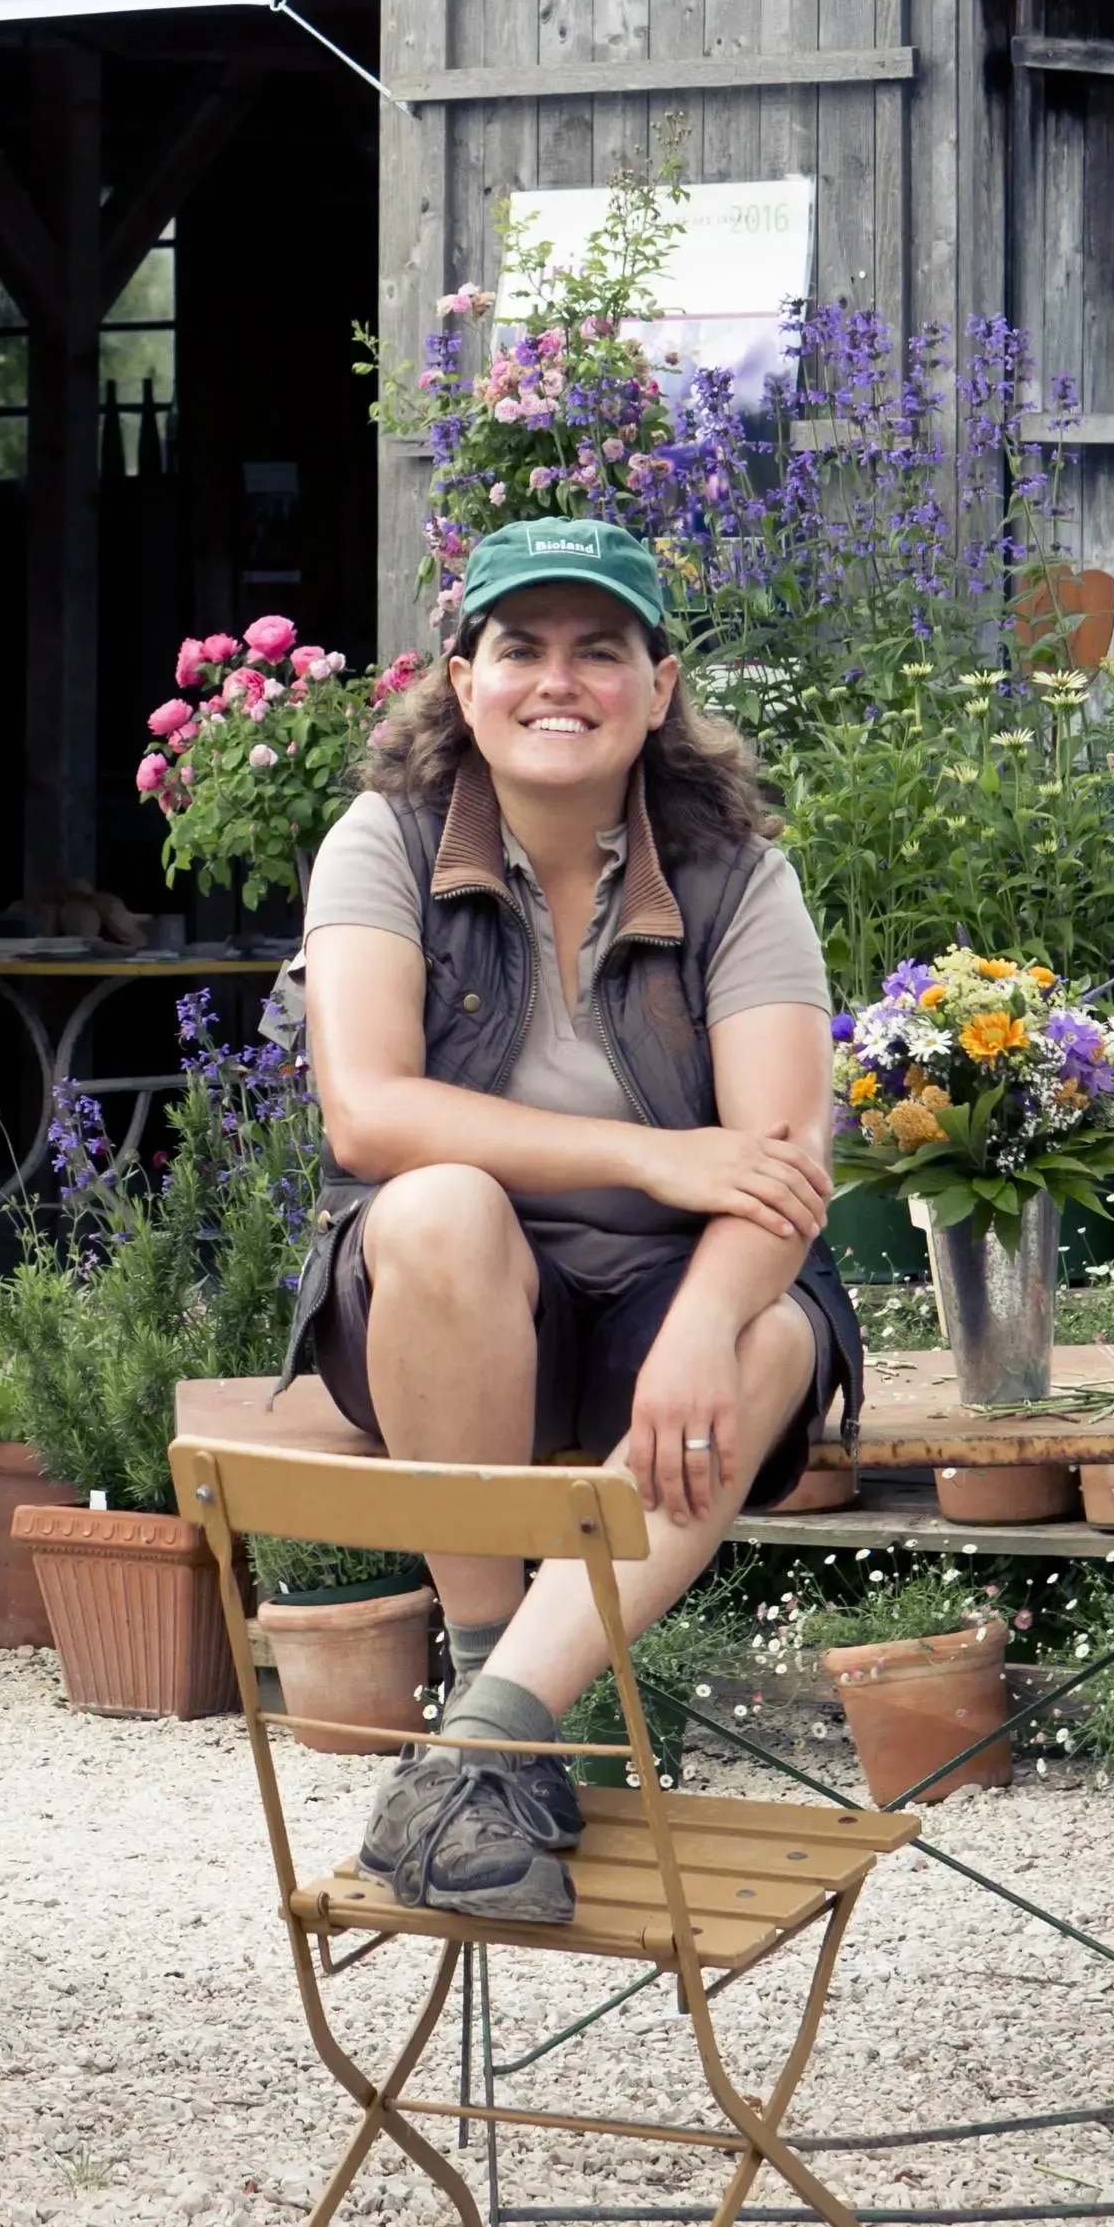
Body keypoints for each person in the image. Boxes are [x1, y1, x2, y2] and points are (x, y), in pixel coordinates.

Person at [283, 519, 849, 1926]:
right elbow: (367, 1115)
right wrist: (656, 1158)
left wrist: (709, 1320)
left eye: (601, 650)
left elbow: (778, 1163)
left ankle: (481, 1745)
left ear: (659, 688)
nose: (560, 680)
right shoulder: (389, 841)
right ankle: (493, 1661)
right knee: (439, 1210)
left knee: (773, 1335)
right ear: (462, 681)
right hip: (448, 1312)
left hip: (662, 1306)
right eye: (520, 647)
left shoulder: (734, 874)